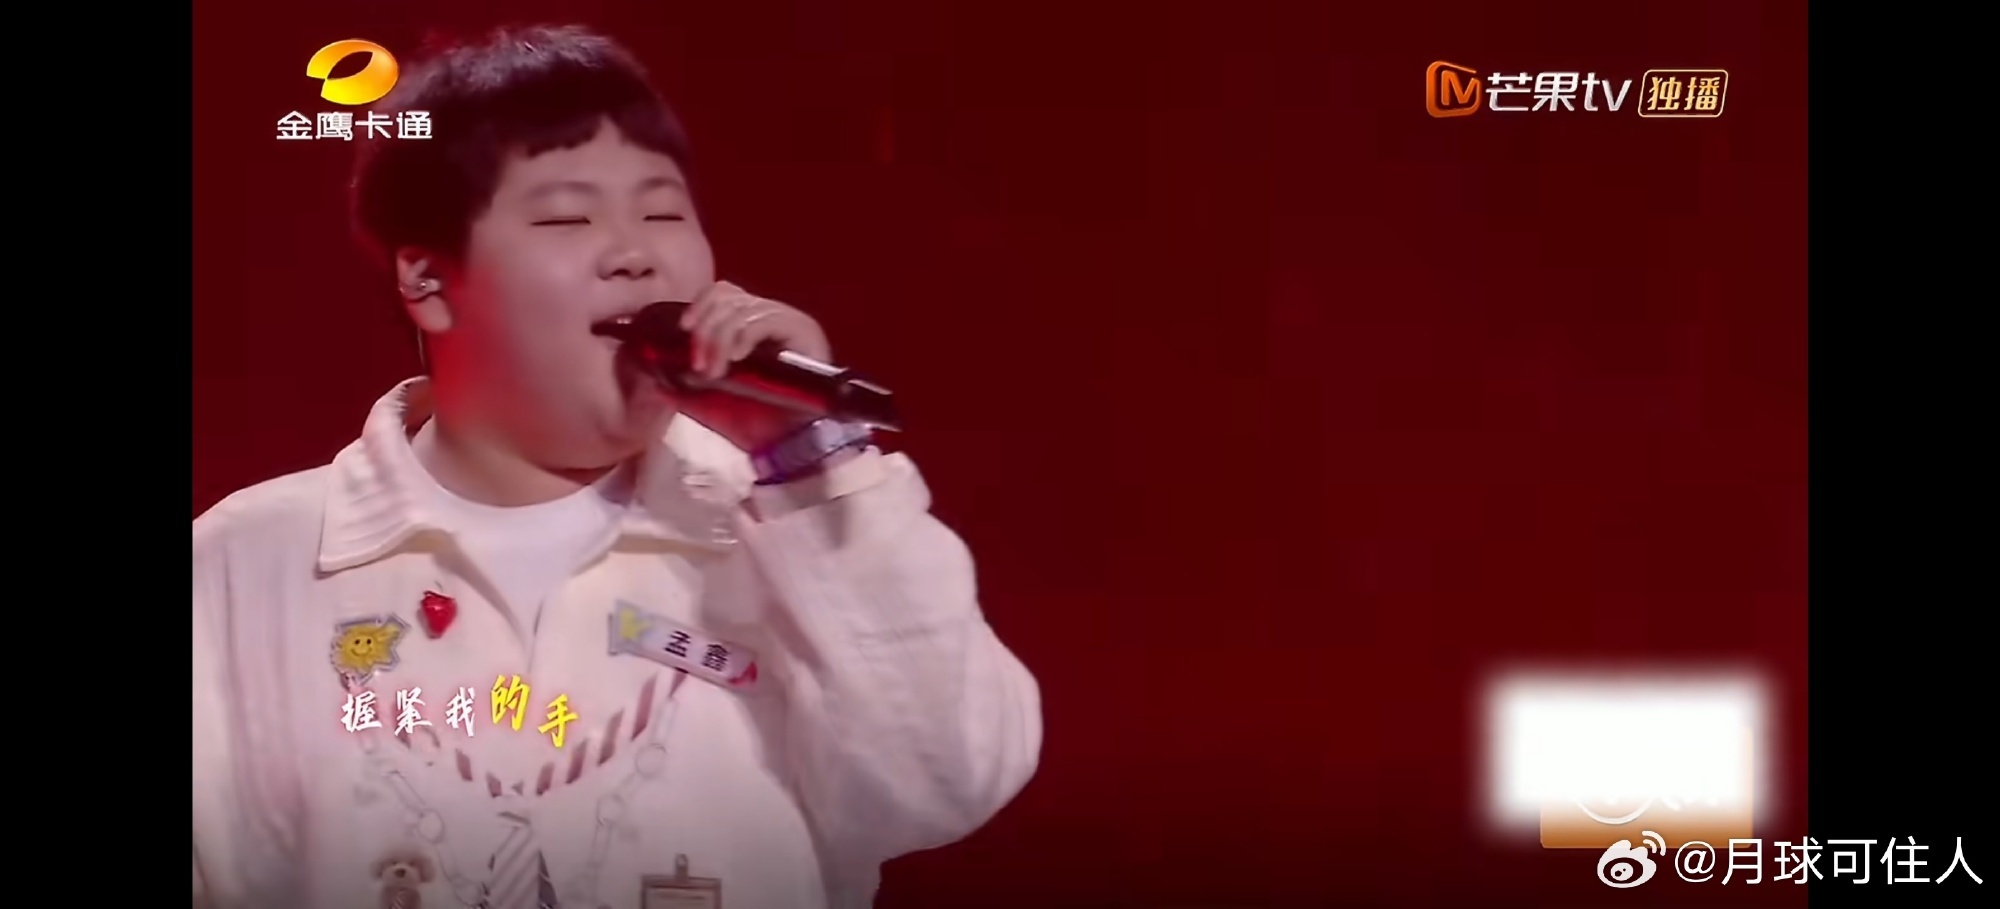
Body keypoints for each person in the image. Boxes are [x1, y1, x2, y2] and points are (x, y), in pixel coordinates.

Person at [193, 24, 1042, 909]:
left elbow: (954, 781)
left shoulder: (781, 522)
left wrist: (807, 463)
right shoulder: (248, 560)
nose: (637, 252)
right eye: (568, 218)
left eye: (665, 212)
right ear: (428, 281)